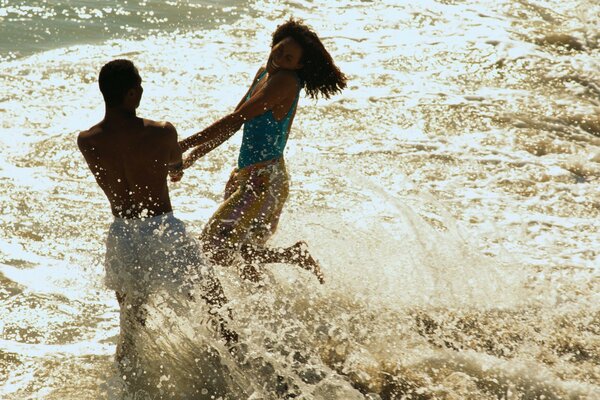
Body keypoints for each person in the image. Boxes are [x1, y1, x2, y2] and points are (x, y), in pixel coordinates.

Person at [77, 59, 236, 366]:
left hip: (122, 235)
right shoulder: (162, 132)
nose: (142, 90)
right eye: (139, 85)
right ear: (131, 94)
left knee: (131, 322)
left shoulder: (87, 141)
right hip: (162, 229)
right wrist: (174, 168)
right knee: (213, 299)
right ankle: (243, 365)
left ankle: (126, 383)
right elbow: (174, 165)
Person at [178, 19, 346, 283]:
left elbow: (236, 119)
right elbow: (235, 121)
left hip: (264, 184)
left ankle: (293, 256)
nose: (280, 59)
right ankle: (271, 317)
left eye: (289, 58)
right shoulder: (263, 74)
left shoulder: (286, 82)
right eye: (279, 50)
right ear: (274, 42)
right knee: (246, 263)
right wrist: (193, 156)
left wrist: (184, 145)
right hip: (250, 177)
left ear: (298, 65)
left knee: (211, 247)